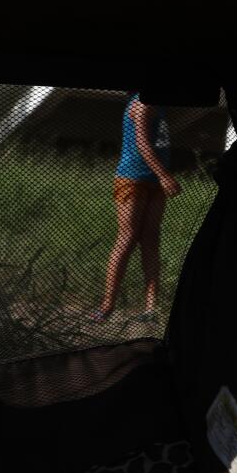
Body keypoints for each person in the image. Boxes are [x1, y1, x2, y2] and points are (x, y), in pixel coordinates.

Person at [96, 92, 180, 320]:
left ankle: (151, 307)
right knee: (128, 237)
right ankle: (107, 305)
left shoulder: (159, 103)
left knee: (151, 237)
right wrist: (164, 175)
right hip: (132, 178)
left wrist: (161, 176)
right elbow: (142, 143)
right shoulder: (142, 103)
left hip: (154, 182)